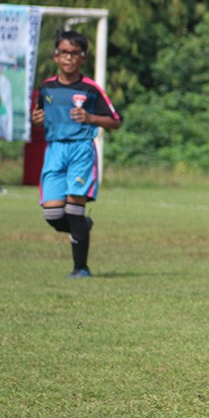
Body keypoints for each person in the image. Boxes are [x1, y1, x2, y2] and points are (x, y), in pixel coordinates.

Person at [29, 30, 122, 278]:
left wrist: (92, 118)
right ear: (55, 56)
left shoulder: (90, 88)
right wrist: (36, 120)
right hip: (55, 150)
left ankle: (80, 268)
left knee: (74, 208)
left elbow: (115, 121)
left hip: (81, 150)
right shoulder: (47, 87)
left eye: (74, 53)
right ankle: (82, 227)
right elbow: (40, 117)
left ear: (82, 58)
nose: (69, 58)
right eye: (64, 53)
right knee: (52, 213)